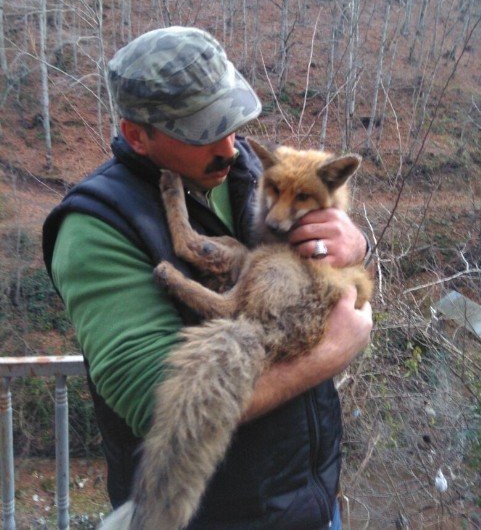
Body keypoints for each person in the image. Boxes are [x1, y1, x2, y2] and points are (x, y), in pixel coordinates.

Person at [43, 26, 372, 529]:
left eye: (231, 119)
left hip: (312, 502)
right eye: (200, 130)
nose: (228, 145)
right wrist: (330, 352)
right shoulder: (94, 228)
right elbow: (158, 406)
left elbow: (318, 275)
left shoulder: (247, 171)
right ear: (137, 135)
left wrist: (350, 244)